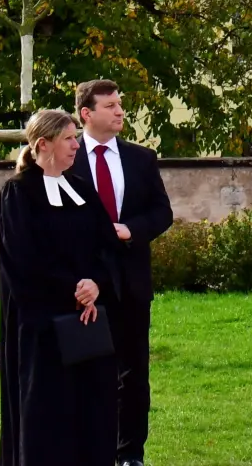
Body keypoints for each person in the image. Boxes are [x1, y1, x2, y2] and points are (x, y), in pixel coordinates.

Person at [0, 108, 121, 466]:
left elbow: (107, 246)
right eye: (68, 138)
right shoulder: (17, 194)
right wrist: (73, 289)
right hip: (43, 326)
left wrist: (96, 284)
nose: (76, 146)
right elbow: (23, 261)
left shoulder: (81, 188)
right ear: (42, 144)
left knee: (93, 413)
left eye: (75, 138)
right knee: (46, 416)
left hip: (88, 322)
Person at [68, 80, 173, 466]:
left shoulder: (141, 159)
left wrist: (132, 230)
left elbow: (163, 213)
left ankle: (130, 454)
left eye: (120, 104)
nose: (119, 111)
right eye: (110, 105)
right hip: (83, 286)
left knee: (133, 374)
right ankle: (88, 449)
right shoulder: (69, 157)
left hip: (130, 283)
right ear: (86, 114)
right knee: (88, 372)